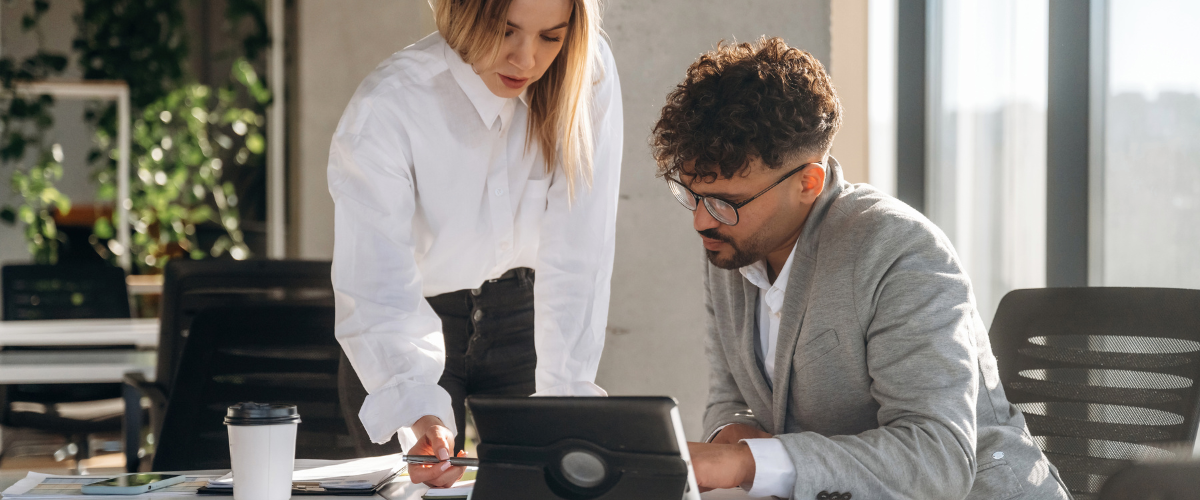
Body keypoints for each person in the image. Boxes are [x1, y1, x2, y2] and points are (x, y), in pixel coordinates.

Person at [650, 37, 1071, 499]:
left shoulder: (898, 250)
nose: (700, 220)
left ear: (808, 183)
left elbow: (937, 460)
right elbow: (733, 396)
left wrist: (745, 462)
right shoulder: (733, 243)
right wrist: (730, 435)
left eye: (725, 203)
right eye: (690, 193)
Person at [327, 0, 621, 487]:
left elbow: (580, 255)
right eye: (507, 31)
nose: (526, 60)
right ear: (464, 15)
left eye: (551, 36)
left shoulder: (586, 75)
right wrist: (421, 415)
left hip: (527, 319)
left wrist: (568, 402)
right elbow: (376, 286)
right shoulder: (389, 105)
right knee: (416, 487)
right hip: (411, 323)